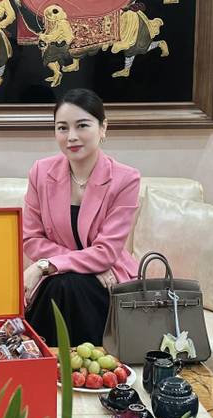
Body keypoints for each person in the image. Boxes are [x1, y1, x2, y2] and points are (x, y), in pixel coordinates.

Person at [23, 88, 140, 346]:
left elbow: (106, 252)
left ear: (103, 128)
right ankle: (78, 367)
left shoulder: (125, 179)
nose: (72, 137)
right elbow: (31, 240)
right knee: (65, 284)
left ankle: (47, 362)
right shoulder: (40, 172)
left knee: (66, 285)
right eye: (62, 128)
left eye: (82, 125)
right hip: (60, 283)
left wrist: (45, 265)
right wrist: (80, 265)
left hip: (106, 283)